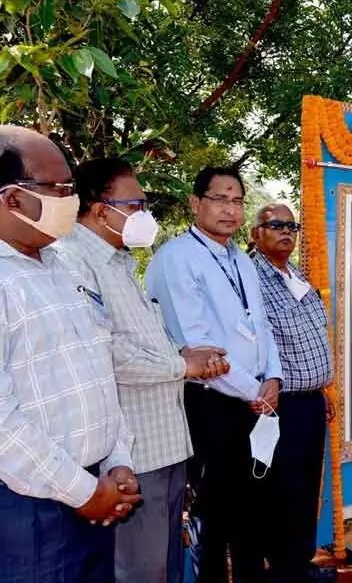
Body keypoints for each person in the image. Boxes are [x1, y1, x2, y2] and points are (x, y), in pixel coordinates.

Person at [55, 158, 230, 583]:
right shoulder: (72, 260)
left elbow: (142, 336)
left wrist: (184, 351)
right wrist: (180, 364)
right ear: (100, 209)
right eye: (136, 205)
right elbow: (105, 352)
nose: (144, 216)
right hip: (132, 453)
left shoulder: (121, 262)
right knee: (139, 569)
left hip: (167, 441)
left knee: (168, 562)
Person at [0, 126, 141, 582]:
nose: (70, 199)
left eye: (71, 188)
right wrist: (82, 491)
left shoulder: (64, 265)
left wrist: (118, 461)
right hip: (31, 510)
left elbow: (98, 370)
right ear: (11, 199)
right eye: (57, 188)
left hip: (96, 489)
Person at [146, 166, 283, 583]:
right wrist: (252, 391)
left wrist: (272, 378)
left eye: (237, 200)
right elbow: (199, 346)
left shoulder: (240, 257)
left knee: (252, 506)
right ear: (195, 203)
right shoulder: (176, 258)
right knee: (216, 512)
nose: (230, 210)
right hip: (210, 403)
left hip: (253, 399)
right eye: (219, 199)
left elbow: (261, 324)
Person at [250, 204, 333, 583]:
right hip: (279, 406)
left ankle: (300, 564)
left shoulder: (294, 274)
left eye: (291, 225)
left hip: (311, 401)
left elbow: (310, 337)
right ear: (255, 234)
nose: (286, 231)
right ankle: (283, 571)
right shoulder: (251, 277)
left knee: (306, 487)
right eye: (276, 225)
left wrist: (320, 389)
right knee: (282, 489)